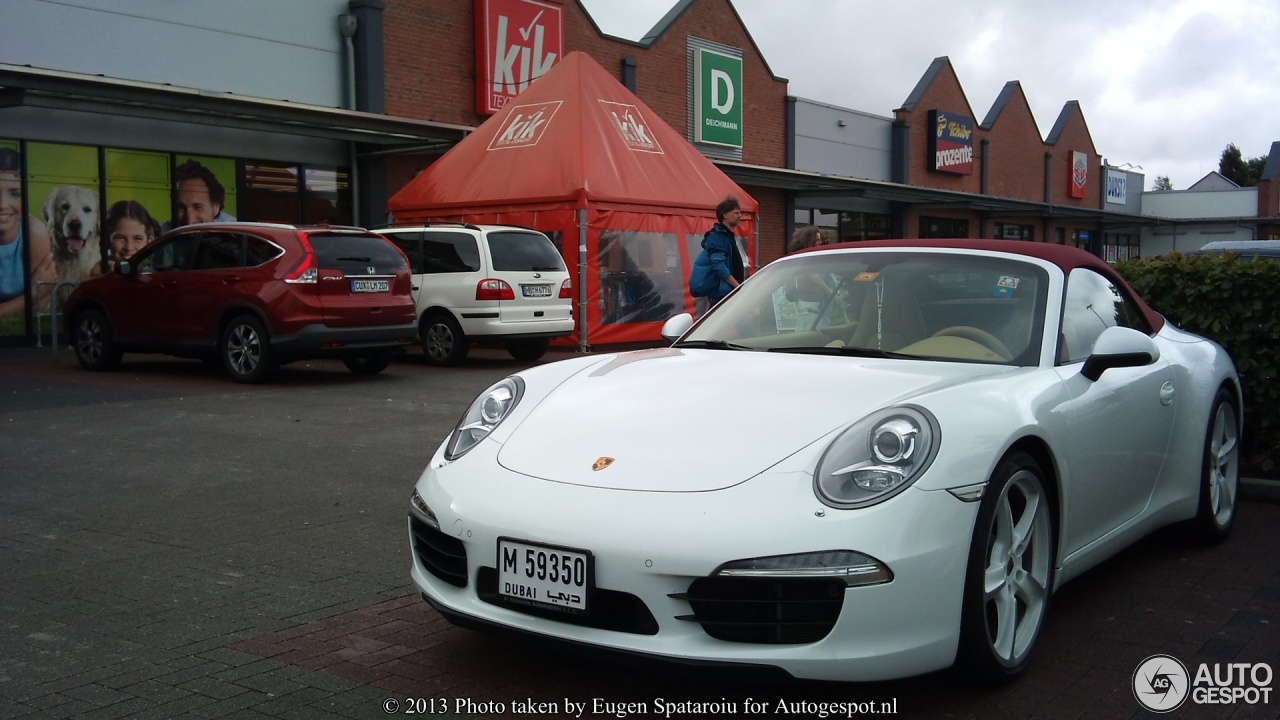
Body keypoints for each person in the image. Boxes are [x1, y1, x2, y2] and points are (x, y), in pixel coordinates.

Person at [0, 148, 54, 322]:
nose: (3, 205)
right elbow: (35, 297)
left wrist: (35, 297)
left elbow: (42, 303)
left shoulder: (34, 233)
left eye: (14, 194)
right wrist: (30, 295)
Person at [688, 196, 745, 318]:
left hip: (728, 292)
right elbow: (718, 266)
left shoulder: (727, 236)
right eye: (736, 212)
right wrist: (737, 286)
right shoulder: (718, 238)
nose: (740, 215)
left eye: (740, 212)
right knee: (741, 324)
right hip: (723, 293)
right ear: (725, 215)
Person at [163, 159, 236, 231]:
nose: (190, 221)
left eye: (198, 207)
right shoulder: (163, 233)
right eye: (181, 208)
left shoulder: (236, 232)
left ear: (215, 207)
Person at [104, 200, 160, 271]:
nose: (128, 247)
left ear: (149, 242)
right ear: (108, 240)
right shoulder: (98, 272)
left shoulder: (159, 275)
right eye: (120, 238)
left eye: (137, 239)